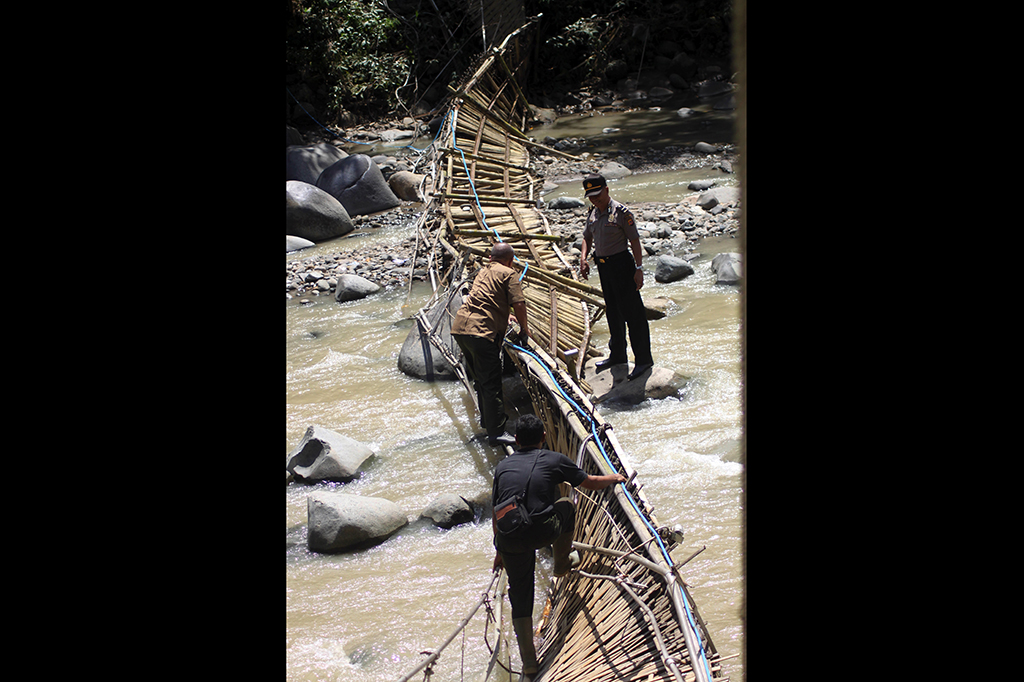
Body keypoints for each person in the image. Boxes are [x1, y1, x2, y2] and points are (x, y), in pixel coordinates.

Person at [491, 413, 627, 681]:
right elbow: (589, 483)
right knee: (566, 505)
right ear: (543, 437)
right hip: (542, 531)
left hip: (510, 537)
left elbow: (497, 513)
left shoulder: (502, 467)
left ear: (516, 440)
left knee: (520, 595)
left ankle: (529, 662)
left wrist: (499, 552)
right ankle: (561, 563)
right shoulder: (553, 459)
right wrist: (614, 478)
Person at [578, 173, 655, 381]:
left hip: (622, 265)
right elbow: (587, 237)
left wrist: (639, 268)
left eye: (597, 194)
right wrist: (583, 258)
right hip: (604, 267)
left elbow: (635, 241)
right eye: (591, 196)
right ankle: (618, 355)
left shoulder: (621, 212)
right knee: (613, 312)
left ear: (606, 190)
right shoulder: (593, 213)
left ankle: (643, 360)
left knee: (633, 314)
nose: (595, 199)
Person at [452, 242, 530, 446]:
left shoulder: (483, 271)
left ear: (490, 258)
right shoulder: (509, 273)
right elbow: (518, 303)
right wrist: (525, 329)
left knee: (481, 380)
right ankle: (497, 432)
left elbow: (486, 299)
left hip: (461, 329)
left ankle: (487, 422)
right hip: (481, 333)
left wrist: (504, 315)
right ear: (510, 261)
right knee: (492, 383)